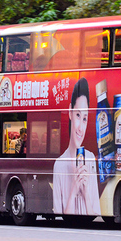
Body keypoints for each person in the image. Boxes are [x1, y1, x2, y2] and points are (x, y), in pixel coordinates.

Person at [53, 78, 101, 215]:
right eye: (78, 115)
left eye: (85, 118)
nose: (81, 128)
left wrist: (85, 193)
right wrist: (74, 189)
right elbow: (59, 216)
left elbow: (96, 215)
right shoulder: (59, 165)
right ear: (70, 112)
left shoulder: (90, 158)